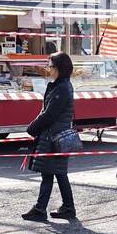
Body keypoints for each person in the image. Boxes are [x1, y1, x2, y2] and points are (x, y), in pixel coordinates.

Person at [23, 51, 77, 221]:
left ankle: (40, 209)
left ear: (59, 68)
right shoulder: (61, 85)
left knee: (48, 173)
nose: (49, 69)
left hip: (53, 137)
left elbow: (49, 115)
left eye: (51, 66)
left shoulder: (61, 88)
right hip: (55, 136)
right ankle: (67, 207)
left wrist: (32, 128)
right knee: (58, 173)